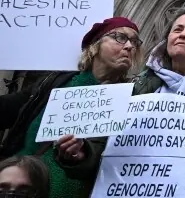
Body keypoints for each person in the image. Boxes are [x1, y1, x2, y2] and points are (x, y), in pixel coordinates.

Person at [60, 9, 185, 198]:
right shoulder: (136, 88)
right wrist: (81, 154)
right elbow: (103, 146)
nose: (183, 34)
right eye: (177, 30)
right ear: (167, 39)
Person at [0, 17, 139, 198]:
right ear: (95, 46)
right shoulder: (57, 82)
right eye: (119, 37)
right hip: (23, 186)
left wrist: (82, 155)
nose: (129, 46)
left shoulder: (133, 98)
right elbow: (11, 107)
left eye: (135, 41)